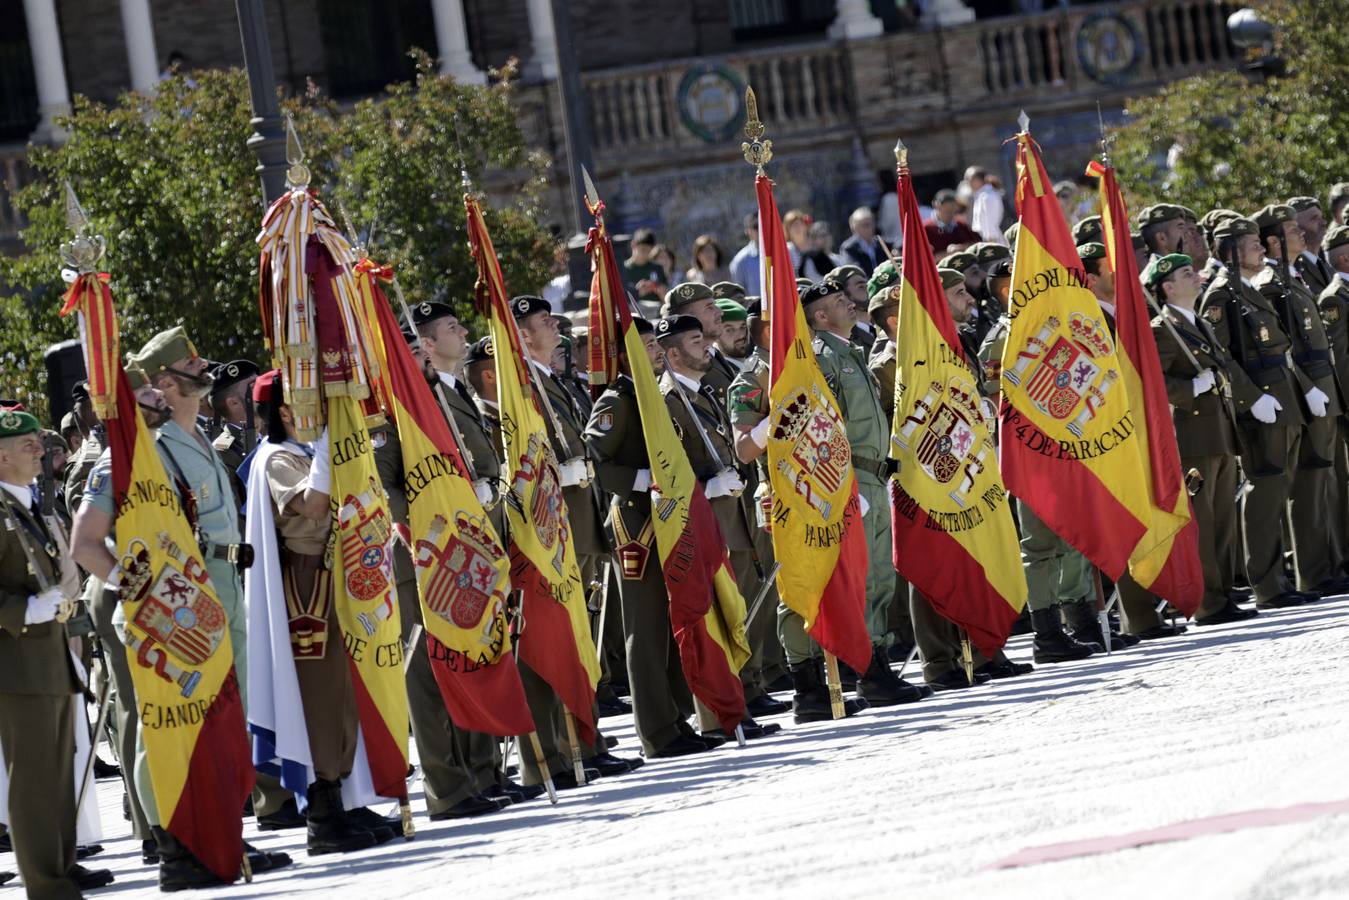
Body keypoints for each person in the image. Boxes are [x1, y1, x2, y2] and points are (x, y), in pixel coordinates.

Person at [246, 372, 385, 857]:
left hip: (339, 574)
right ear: (285, 412)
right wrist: (329, 450)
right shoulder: (277, 457)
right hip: (308, 585)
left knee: (347, 692)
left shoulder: (305, 453)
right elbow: (311, 504)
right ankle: (323, 813)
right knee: (322, 697)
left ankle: (347, 795)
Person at [512, 295, 642, 785]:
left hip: (579, 520)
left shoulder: (553, 383)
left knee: (582, 633)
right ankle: (569, 746)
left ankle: (586, 740)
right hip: (552, 525)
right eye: (545, 323)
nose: (556, 329)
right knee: (562, 634)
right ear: (524, 336)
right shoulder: (522, 389)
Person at [0, 408, 114, 899]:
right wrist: (24, 609)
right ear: (1, 456)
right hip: (17, 663)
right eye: (28, 444)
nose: (40, 450)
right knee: (32, 780)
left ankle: (62, 865)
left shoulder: (27, 502)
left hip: (51, 658)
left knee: (57, 773)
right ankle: (45, 883)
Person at [584, 318, 710, 758]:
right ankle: (656, 731)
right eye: (649, 345)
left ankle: (677, 717)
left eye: (658, 343)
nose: (657, 350)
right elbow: (593, 462)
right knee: (647, 626)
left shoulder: (654, 392)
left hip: (668, 516)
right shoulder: (618, 399)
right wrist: (640, 479)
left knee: (672, 618)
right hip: (636, 523)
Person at [800, 279, 930, 706]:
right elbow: (824, 428)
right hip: (852, 480)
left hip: (875, 475)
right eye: (839, 302)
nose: (850, 304)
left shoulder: (852, 351)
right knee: (865, 577)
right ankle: (868, 671)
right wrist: (846, 484)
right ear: (819, 317)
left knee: (880, 579)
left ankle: (878, 664)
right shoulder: (823, 358)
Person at [655, 314, 788, 728]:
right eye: (696, 342)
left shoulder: (704, 392)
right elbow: (666, 468)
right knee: (716, 613)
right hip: (703, 519)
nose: (707, 348)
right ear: (673, 353)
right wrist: (704, 486)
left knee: (739, 605)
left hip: (732, 515)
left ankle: (746, 689)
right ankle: (722, 708)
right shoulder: (667, 400)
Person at [1197, 215, 1318, 610]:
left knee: (1278, 490)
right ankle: (1267, 586)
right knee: (1264, 493)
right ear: (1231, 252)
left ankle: (1278, 580)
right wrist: (1252, 399)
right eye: (1252, 243)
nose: (1262, 249)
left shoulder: (1249, 289)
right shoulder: (1221, 297)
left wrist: (1303, 391)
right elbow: (1222, 358)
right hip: (1263, 405)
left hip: (1284, 402)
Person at [1145, 253, 1258, 627]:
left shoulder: (1196, 323)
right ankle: (1208, 601)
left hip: (1220, 432)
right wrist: (1191, 387)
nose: (1197, 278)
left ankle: (1223, 593)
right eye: (1187, 274)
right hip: (1194, 436)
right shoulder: (1163, 329)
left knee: (1224, 520)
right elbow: (1153, 384)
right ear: (1168, 287)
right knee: (1205, 523)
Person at [1249, 204, 1349, 597]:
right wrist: (1308, 387)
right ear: (1273, 241)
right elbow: (1283, 348)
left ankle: (1327, 565)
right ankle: (1313, 570)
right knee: (1308, 483)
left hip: (1321, 391)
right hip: (1304, 393)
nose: (1302, 235)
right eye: (1292, 230)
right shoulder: (1270, 285)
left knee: (1322, 481)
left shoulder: (1292, 278)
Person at [1289, 196, 1332, 297]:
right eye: (1314, 218)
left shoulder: (1329, 261)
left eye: (1321, 217)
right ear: (1296, 227)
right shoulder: (1294, 267)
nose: (1323, 222)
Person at [925, 189, 979, 254]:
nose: (950, 213)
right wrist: (947, 254)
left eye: (953, 209)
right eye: (947, 209)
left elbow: (976, 244)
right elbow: (924, 255)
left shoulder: (961, 224)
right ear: (937, 206)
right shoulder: (926, 228)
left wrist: (961, 248)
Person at [621, 228, 667, 304]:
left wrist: (662, 291)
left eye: (649, 251)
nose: (646, 254)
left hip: (655, 312)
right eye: (643, 250)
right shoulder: (622, 269)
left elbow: (666, 298)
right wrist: (635, 292)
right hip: (632, 313)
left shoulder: (657, 268)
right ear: (633, 245)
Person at [964, 166, 1006, 244]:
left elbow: (990, 226)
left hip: (994, 243)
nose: (967, 182)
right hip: (986, 240)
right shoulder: (981, 196)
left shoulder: (987, 197)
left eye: (968, 179)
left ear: (977, 180)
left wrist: (990, 247)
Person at [839, 207, 886, 275]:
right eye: (865, 225)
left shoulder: (881, 243)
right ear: (855, 227)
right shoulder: (849, 248)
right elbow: (855, 271)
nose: (870, 228)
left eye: (872, 223)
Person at [728, 212, 762, 296]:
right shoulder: (739, 262)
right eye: (756, 226)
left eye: (764, 224)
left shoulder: (784, 252)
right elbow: (739, 297)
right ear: (747, 231)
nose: (762, 229)